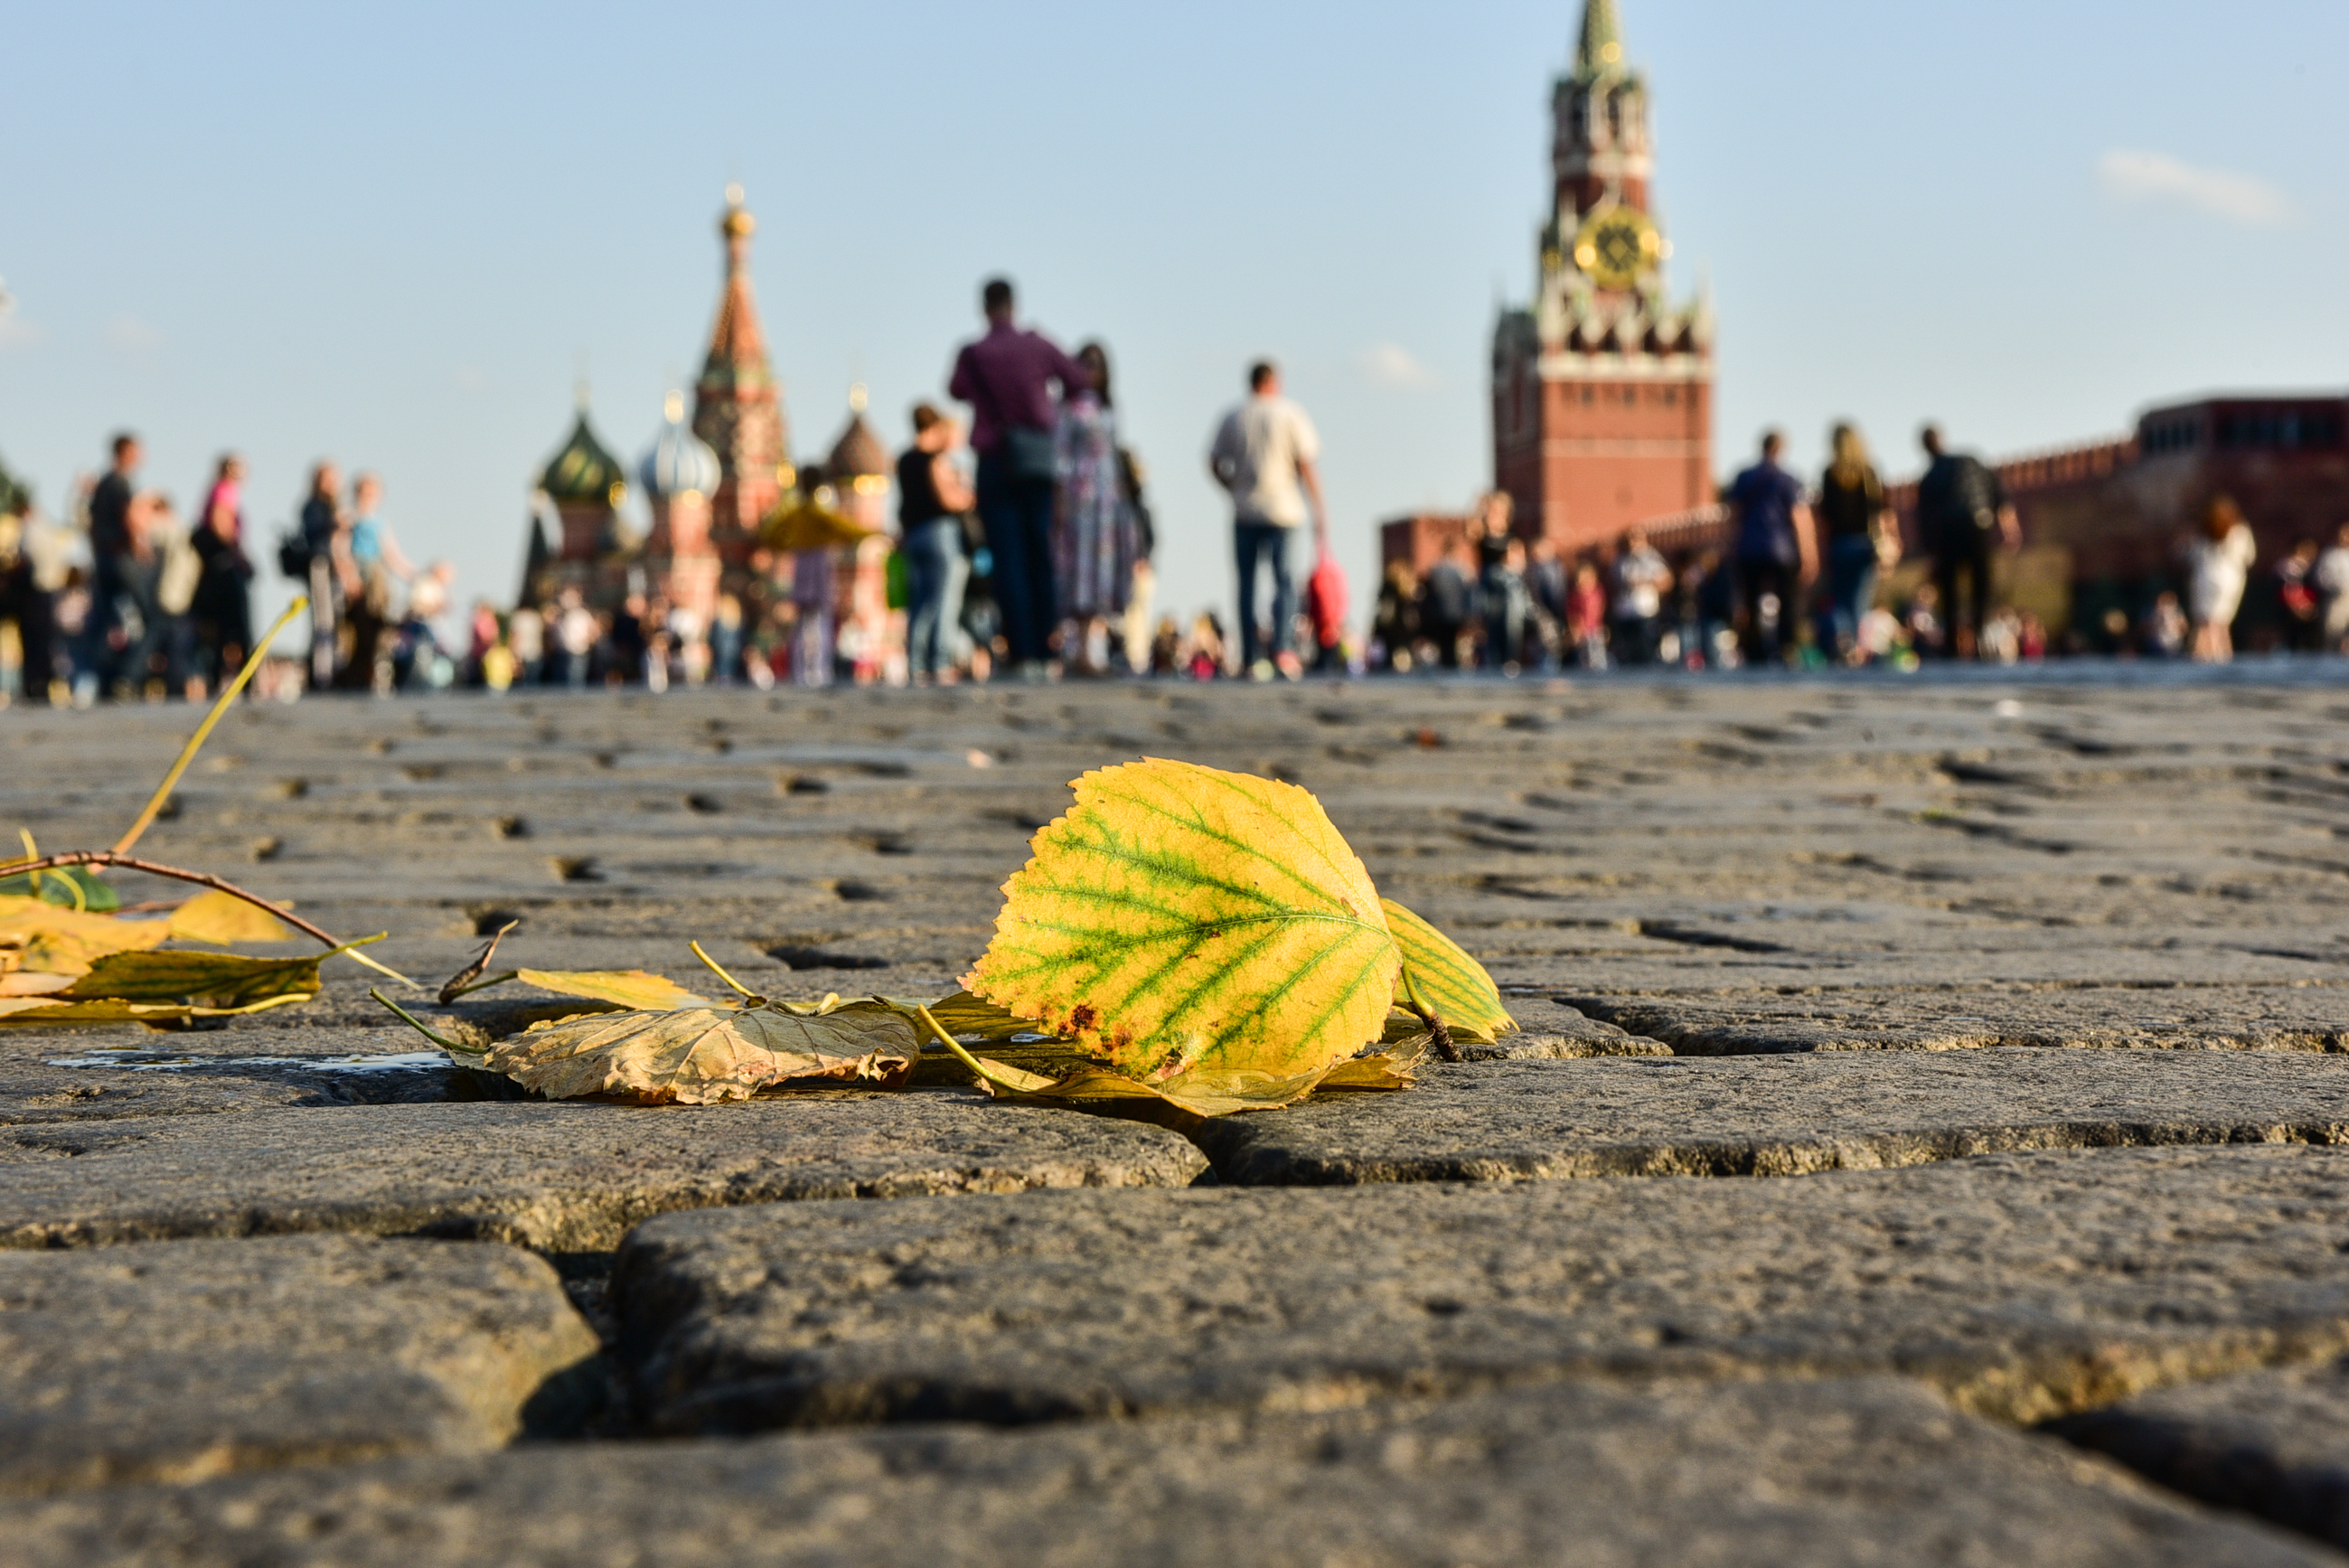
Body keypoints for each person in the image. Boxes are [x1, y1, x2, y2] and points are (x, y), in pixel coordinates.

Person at [947, 277, 1086, 677]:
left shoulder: (974, 353)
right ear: (1014, 305)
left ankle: (1022, 651)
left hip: (995, 459)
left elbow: (956, 389)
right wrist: (1040, 403)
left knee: (1007, 559)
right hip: (1037, 460)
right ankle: (1047, 649)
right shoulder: (1036, 345)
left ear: (984, 308)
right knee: (1040, 555)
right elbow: (1077, 379)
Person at [1208, 360, 1327, 680]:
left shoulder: (1234, 416)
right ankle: (1283, 650)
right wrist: (1319, 510)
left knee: (1246, 584)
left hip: (1245, 508)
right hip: (1284, 510)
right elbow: (1306, 464)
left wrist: (1232, 488)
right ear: (1274, 382)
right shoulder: (1290, 413)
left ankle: (1249, 656)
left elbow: (1214, 461)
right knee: (1284, 581)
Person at [1052, 343, 1139, 674]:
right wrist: (1060, 498)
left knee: (1102, 573)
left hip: (1108, 502)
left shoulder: (1109, 408)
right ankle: (1078, 651)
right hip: (1080, 500)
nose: (1090, 371)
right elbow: (1060, 456)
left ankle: (1091, 650)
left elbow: (1116, 454)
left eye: (1097, 364)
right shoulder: (1069, 408)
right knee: (1079, 572)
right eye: (1085, 364)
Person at [1914, 426, 2018, 659]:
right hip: (1979, 525)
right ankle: (1979, 638)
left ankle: (1953, 644)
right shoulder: (1970, 460)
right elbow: (1999, 494)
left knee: (1950, 589)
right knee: (1981, 585)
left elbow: (1925, 518)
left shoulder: (1930, 476)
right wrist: (2009, 530)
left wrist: (1930, 553)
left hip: (1948, 532)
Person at [898, 403, 975, 684]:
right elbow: (946, 499)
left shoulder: (904, 459)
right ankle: (939, 661)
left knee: (919, 602)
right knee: (945, 600)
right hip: (940, 533)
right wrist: (967, 496)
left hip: (914, 535)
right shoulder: (935, 460)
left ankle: (916, 663)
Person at [1728, 430, 1816, 666]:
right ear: (1781, 449)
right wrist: (1809, 554)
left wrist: (1731, 546)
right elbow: (1800, 519)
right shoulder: (1788, 479)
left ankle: (1754, 652)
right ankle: (1786, 648)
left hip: (1749, 548)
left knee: (1751, 602)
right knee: (1788, 602)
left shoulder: (1744, 477)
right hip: (1781, 550)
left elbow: (1734, 516)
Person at [1815, 423, 1892, 662]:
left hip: (1839, 545)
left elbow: (1825, 515)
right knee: (1859, 600)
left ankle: (1843, 643)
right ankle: (1858, 649)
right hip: (1864, 545)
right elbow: (1879, 512)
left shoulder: (1829, 474)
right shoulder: (1869, 472)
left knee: (1839, 599)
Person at [339, 472, 415, 690]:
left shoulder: (381, 522)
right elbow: (341, 549)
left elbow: (392, 555)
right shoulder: (349, 517)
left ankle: (375, 671)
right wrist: (349, 576)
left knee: (379, 625)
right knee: (357, 629)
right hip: (358, 575)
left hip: (377, 577)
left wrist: (414, 575)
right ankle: (356, 673)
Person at [189, 454, 255, 690]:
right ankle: (245, 681)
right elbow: (220, 522)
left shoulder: (215, 489)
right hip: (226, 567)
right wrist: (238, 554)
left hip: (218, 566)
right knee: (238, 624)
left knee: (220, 626)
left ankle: (219, 678)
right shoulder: (225, 490)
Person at [2185, 494, 2256, 662]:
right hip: (2232, 579)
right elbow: (2249, 557)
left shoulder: (2202, 532)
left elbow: (2190, 556)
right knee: (2222, 623)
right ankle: (2223, 656)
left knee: (2205, 623)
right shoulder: (2240, 531)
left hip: (2205, 576)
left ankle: (2201, 657)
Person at [298, 462, 344, 690]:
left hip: (335, 568)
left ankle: (331, 669)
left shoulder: (333, 505)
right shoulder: (313, 506)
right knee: (323, 620)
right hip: (320, 564)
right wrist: (334, 523)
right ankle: (321, 676)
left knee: (334, 620)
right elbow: (312, 534)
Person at [1611, 525, 1672, 666]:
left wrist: (1645, 582)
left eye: (1636, 539)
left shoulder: (1651, 558)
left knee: (1645, 648)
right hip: (1625, 610)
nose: (1633, 543)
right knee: (1628, 649)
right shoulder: (1622, 560)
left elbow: (1666, 581)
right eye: (1630, 539)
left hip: (1644, 610)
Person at [2276, 538, 2324, 654]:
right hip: (2292, 611)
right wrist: (2298, 608)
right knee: (2294, 642)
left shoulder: (2311, 566)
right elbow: (2289, 591)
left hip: (2310, 610)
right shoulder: (2289, 567)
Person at [2317, 521, 2349, 653]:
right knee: (2334, 634)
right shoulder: (2330, 555)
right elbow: (2322, 578)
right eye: (2343, 534)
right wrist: (2338, 587)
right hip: (2337, 600)